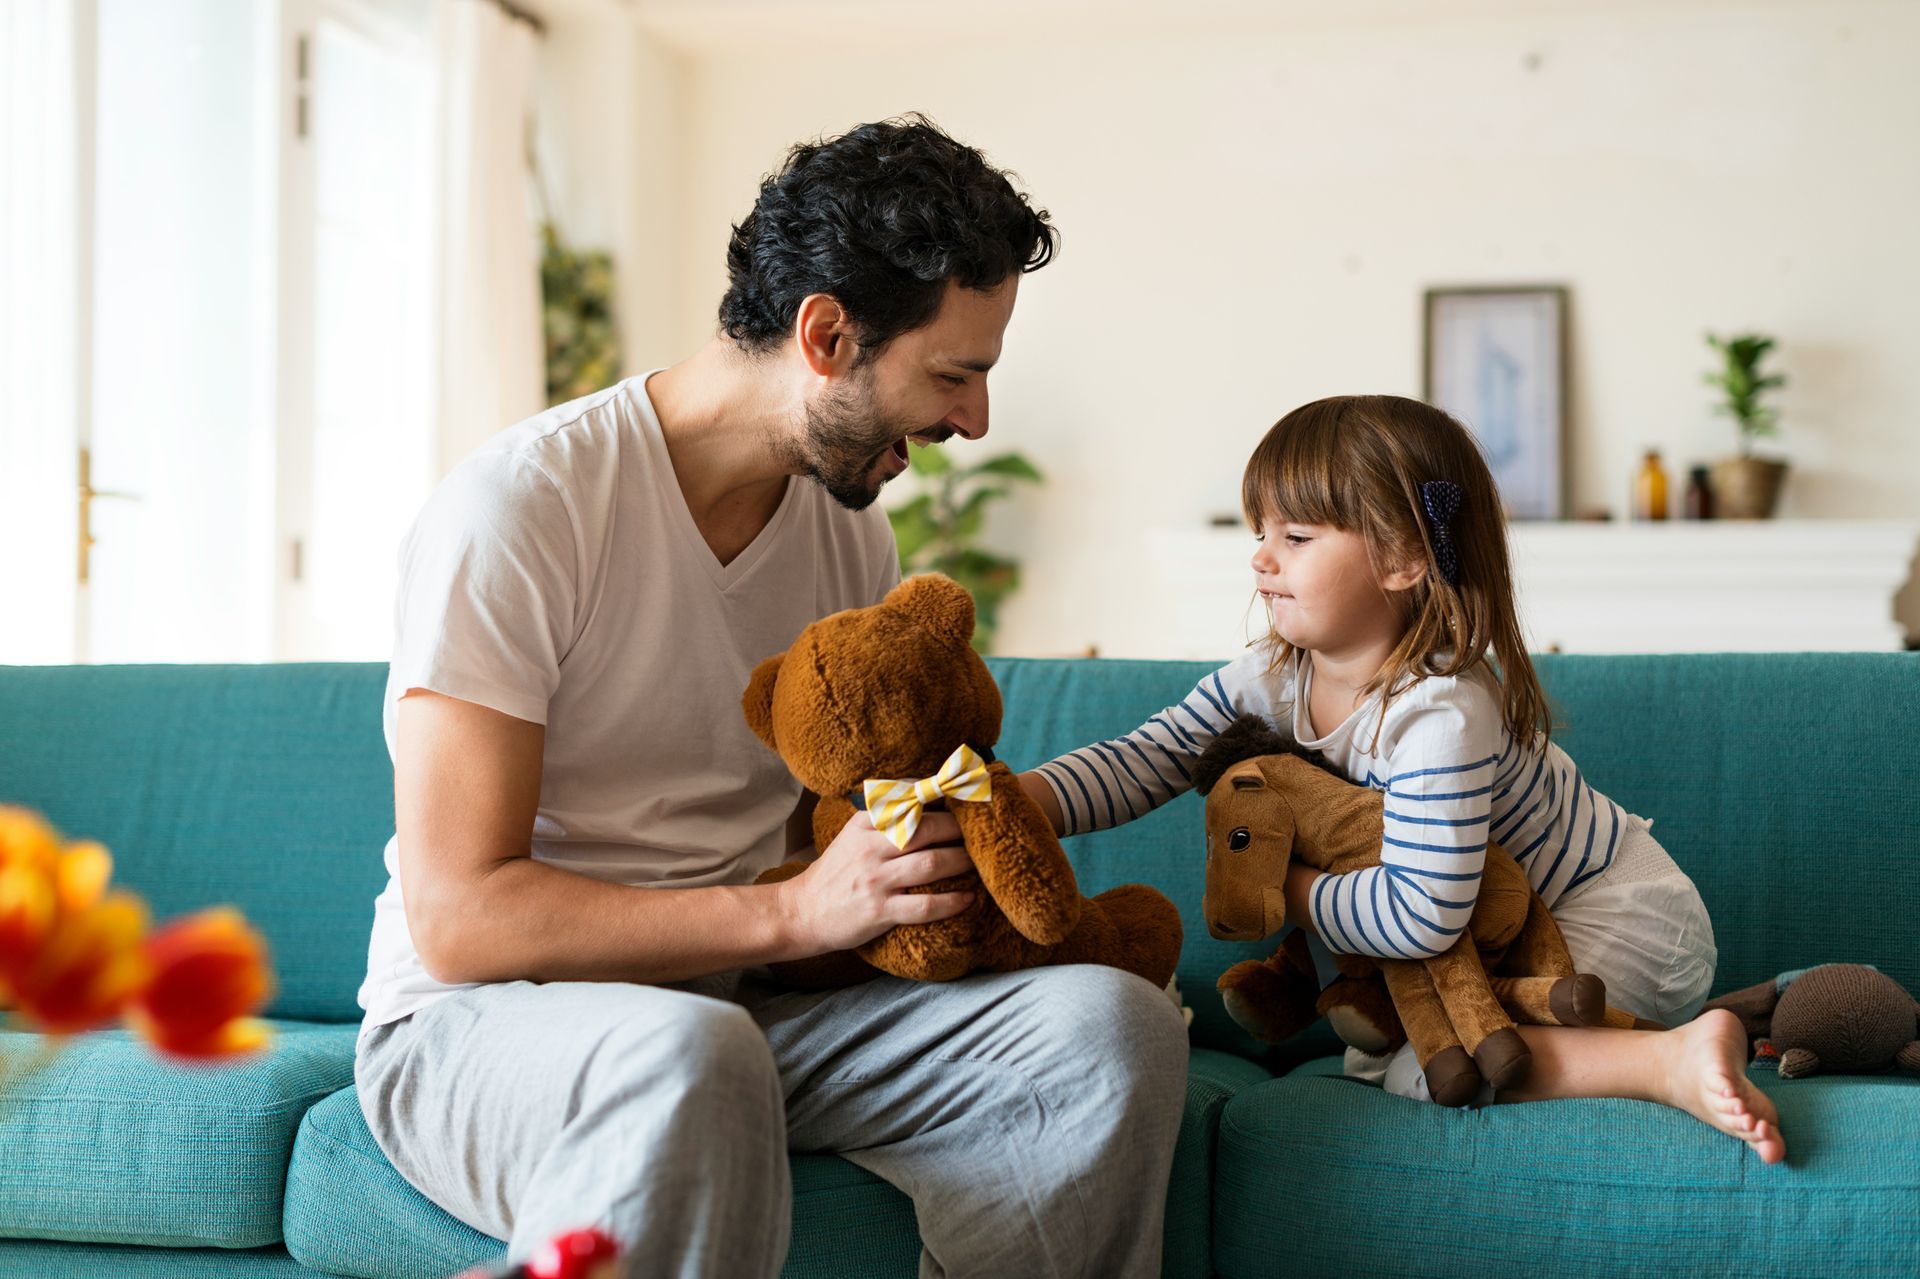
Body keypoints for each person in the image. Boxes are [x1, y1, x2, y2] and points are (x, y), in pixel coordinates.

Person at [353, 115, 1190, 1279]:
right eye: (955, 374)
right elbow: (460, 919)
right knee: (688, 1052)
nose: (972, 422)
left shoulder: (850, 547)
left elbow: (838, 839)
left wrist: (917, 892)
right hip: (484, 1029)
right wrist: (794, 917)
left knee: (1108, 1030)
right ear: (828, 333)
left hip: (741, 1014)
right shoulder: (523, 509)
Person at [1018, 393, 1784, 1163]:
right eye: (1260, 531)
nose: (1261, 556)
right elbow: (1144, 757)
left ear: (1403, 557)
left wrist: (1279, 886)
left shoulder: (1439, 710)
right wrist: (1017, 804)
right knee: (1401, 1058)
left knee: (1437, 1066)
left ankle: (1671, 1060)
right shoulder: (1270, 678)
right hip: (1493, 949)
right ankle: (1649, 1044)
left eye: (1297, 535)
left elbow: (1423, 916)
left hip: (1616, 914)